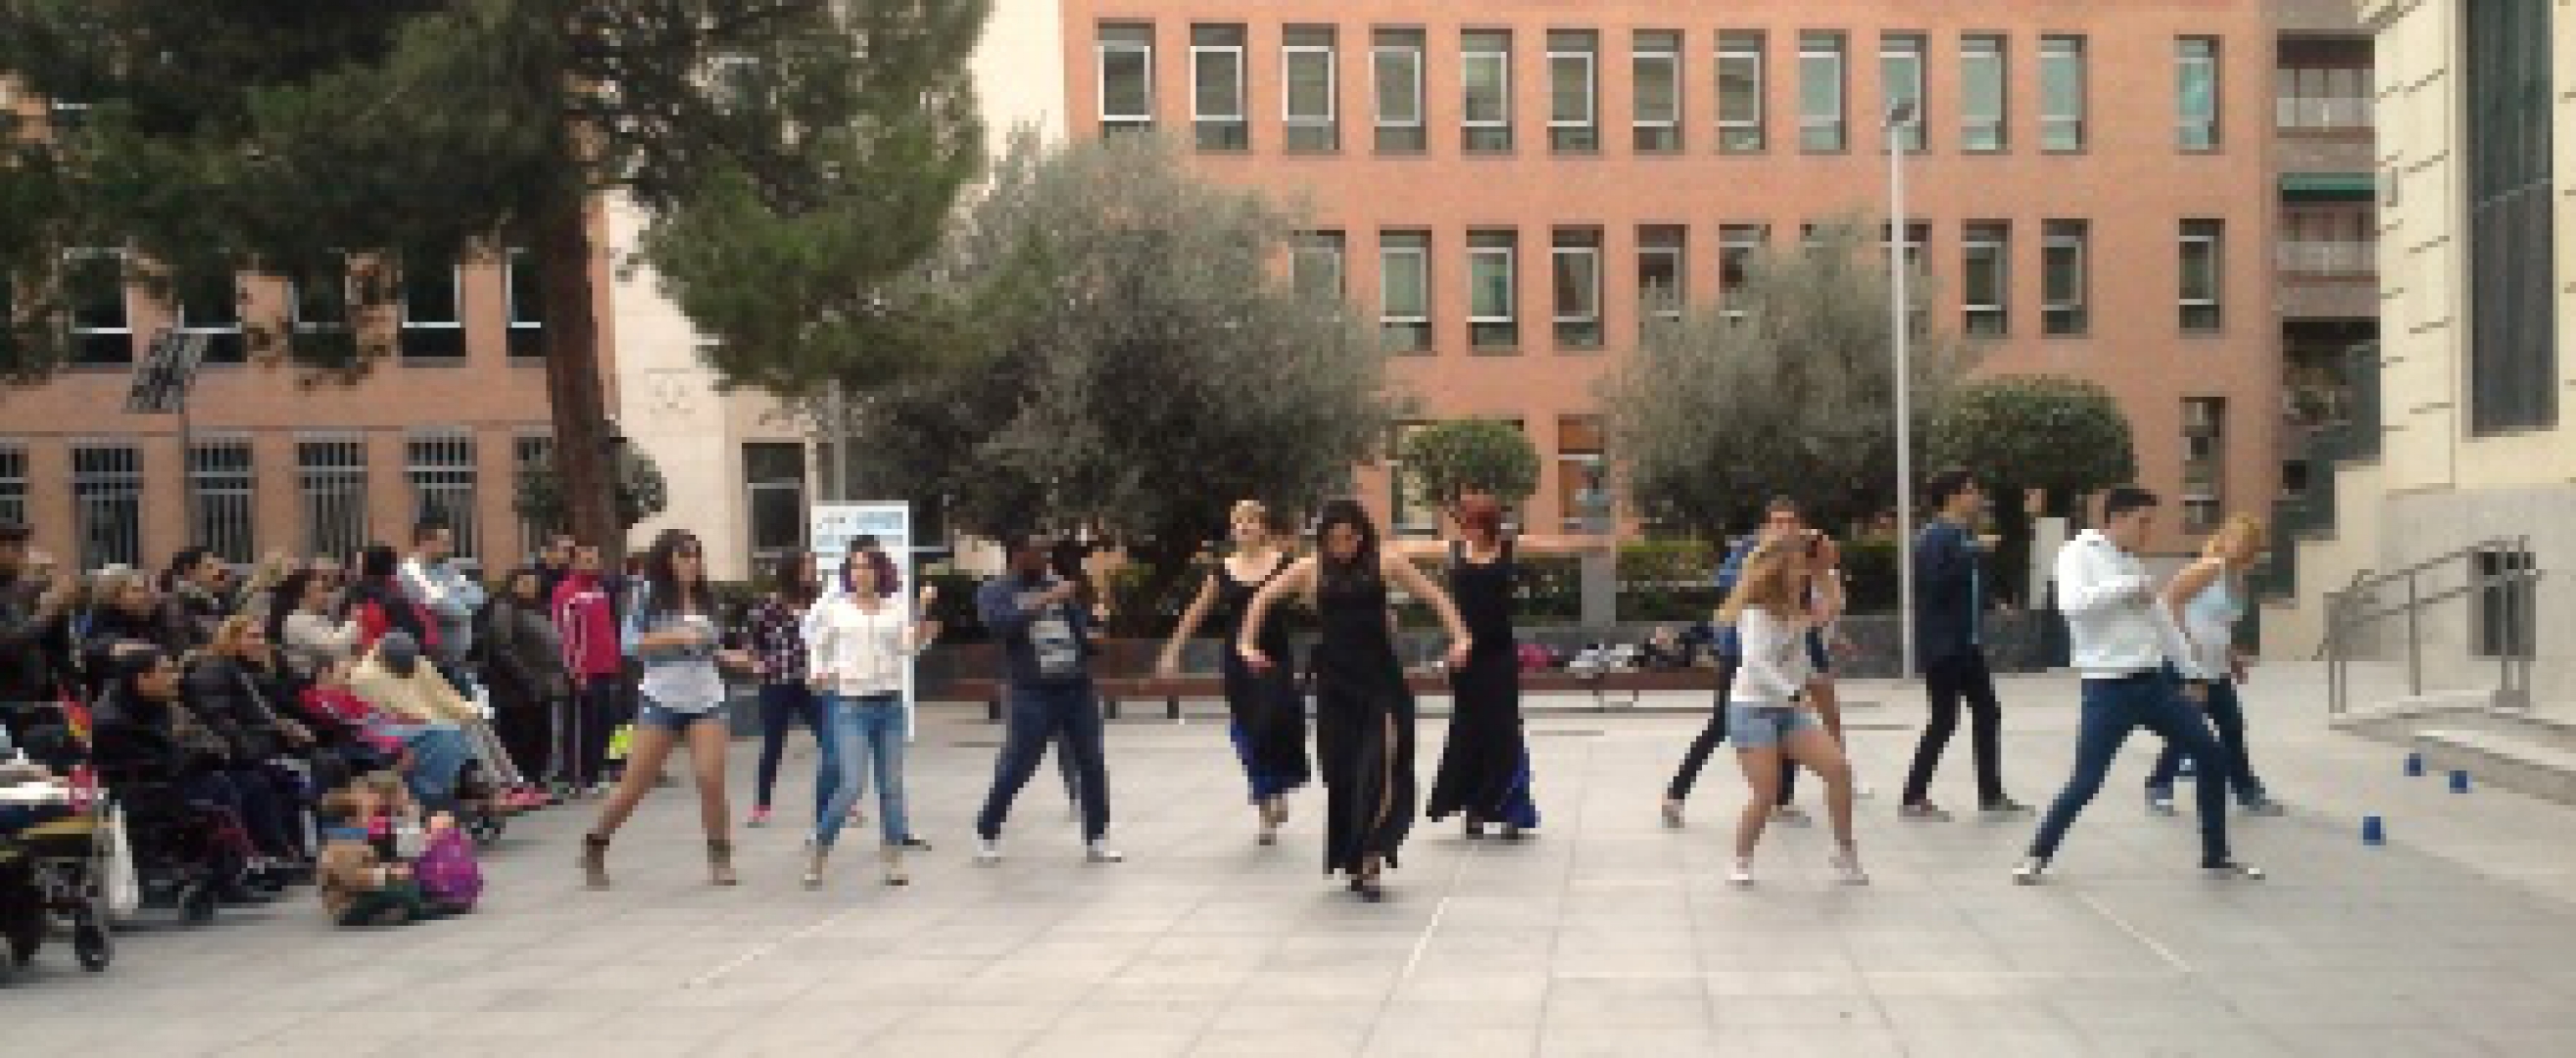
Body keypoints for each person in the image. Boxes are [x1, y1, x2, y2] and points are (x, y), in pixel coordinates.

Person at [2017, 487, 2264, 884]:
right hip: (2107, 689)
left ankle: (2216, 856)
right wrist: (2127, 587)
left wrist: (2193, 673)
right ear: (2117, 519)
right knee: (2087, 780)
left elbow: (2163, 625)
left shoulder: (2131, 562)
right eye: (2143, 522)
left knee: (2211, 753)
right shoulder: (2078, 553)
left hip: (2153, 686)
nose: (2149, 531)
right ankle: (2037, 855)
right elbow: (2072, 605)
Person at [1237, 500, 1473, 901]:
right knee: (1344, 774)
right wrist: (1246, 643)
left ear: (1362, 534)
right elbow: (1261, 599)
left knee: (1380, 767)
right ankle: (1354, 853)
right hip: (1335, 687)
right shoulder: (1310, 569)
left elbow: (1436, 597)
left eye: (1350, 538)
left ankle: (1372, 858)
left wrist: (1461, 638)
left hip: (1381, 682)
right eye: (1334, 539)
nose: (1343, 547)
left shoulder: (1385, 562)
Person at [578, 530, 754, 889]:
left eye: (696, 555)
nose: (692, 563)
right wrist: (674, 635)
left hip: (707, 699)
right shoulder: (648, 595)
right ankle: (595, 842)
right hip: (661, 698)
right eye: (684, 556)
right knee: (634, 785)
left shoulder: (706, 597)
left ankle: (720, 856)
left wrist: (728, 656)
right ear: (667, 560)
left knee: (711, 779)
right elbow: (629, 644)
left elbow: (708, 646)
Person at [1664, 499, 1842, 827]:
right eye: (1777, 521)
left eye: (1789, 521)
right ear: (1765, 525)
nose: (1783, 527)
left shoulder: (1805, 554)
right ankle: (1676, 794)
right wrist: (1764, 564)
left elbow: (1825, 598)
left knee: (1790, 720)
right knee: (1720, 725)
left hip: (1790, 654)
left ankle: (1783, 800)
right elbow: (1727, 582)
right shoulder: (1750, 550)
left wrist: (1820, 576)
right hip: (1743, 652)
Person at [1717, 537, 1869, 886]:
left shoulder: (1796, 607)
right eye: (1797, 567)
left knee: (1838, 770)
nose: (1803, 574)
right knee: (1767, 793)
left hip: (1788, 711)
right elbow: (1755, 663)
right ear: (1777, 571)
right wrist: (1793, 692)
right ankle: (1741, 859)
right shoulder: (1755, 613)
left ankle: (1844, 852)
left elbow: (1821, 623)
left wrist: (1809, 678)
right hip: (1753, 710)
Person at [1158, 501, 1311, 845]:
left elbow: (1316, 599)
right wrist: (1172, 650)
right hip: (1238, 661)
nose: (1244, 526)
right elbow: (1196, 612)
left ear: (1263, 527)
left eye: (1251, 520)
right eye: (1238, 521)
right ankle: (1264, 806)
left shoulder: (1285, 564)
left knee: (1278, 725)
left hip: (1274, 657)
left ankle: (1279, 786)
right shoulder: (1223, 570)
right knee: (1247, 731)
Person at [971, 530, 1121, 867]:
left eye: (1047, 553)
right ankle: (987, 830)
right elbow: (1000, 625)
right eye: (1039, 553)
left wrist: (1096, 630)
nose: (1046, 559)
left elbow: (1080, 632)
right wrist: (1047, 598)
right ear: (1018, 555)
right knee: (1019, 765)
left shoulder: (1058, 586)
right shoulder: (996, 591)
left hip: (1076, 688)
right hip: (1032, 692)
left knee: (1092, 763)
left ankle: (1097, 837)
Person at [1899, 468, 2029, 820]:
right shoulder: (1934, 537)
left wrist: (1994, 602)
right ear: (1952, 496)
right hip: (1943, 645)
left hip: (1967, 645)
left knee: (1987, 712)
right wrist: (1972, 552)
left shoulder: (1962, 536)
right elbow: (1935, 584)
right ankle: (1913, 796)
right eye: (1971, 491)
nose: (1977, 497)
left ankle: (1991, 795)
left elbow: (1968, 586)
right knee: (1944, 719)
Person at [805, 553, 942, 887]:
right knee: (851, 785)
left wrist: (924, 616)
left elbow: (909, 648)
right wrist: (820, 673)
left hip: (890, 705)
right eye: (855, 567)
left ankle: (893, 858)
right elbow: (818, 645)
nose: (861, 573)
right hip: (851, 706)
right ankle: (820, 849)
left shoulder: (894, 610)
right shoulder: (836, 609)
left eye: (867, 567)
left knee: (891, 786)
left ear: (880, 573)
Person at [2143, 514, 2283, 817]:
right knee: (2187, 729)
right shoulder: (2209, 567)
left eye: (2246, 542)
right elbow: (2168, 600)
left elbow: (2219, 625)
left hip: (2216, 668)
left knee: (2232, 728)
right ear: (2223, 539)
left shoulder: (2237, 579)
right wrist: (2185, 641)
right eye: (2234, 539)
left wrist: (2233, 658)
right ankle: (2159, 786)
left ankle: (2246, 791)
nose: (2239, 546)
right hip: (2189, 666)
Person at [1421, 493, 1542, 841]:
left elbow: (1558, 544)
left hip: (1500, 655)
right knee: (1469, 729)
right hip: (1466, 656)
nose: (1469, 531)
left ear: (1490, 525)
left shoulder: (1509, 548)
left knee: (1504, 729)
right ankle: (1474, 808)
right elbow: (1401, 553)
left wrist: (1600, 544)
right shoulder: (1453, 551)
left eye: (1475, 524)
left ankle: (1512, 810)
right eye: (1465, 524)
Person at [738, 551, 832, 829]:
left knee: (831, 740)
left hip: (809, 682)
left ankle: (840, 800)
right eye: (806, 565)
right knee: (773, 745)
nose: (811, 570)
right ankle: (761, 807)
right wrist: (756, 662)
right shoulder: (768, 606)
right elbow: (749, 639)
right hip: (776, 683)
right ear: (792, 569)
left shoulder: (819, 603)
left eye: (813, 565)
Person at [479, 567, 569, 806]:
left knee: (541, 736)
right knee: (520, 737)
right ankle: (520, 787)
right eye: (525, 582)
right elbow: (502, 647)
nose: (531, 587)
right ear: (513, 584)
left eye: (534, 583)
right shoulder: (505, 608)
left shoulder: (535, 607)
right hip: (515, 689)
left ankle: (536, 783)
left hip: (541, 684)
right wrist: (527, 678)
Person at [552, 544, 623, 796]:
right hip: (584, 670)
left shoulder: (600, 589)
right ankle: (581, 778)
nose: (593, 565)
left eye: (595, 559)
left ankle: (598, 771)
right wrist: (575, 669)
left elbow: (607, 627)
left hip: (606, 666)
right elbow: (566, 635)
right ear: (574, 563)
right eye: (586, 560)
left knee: (604, 722)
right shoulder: (566, 592)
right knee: (584, 725)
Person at [0, 523, 75, 740]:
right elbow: (7, 645)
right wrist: (48, 611)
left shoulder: (18, 590)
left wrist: (59, 612)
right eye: (15, 548)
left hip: (36, 701)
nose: (23, 555)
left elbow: (51, 646)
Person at [398, 520, 485, 692]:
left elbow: (479, 597)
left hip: (458, 663)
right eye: (445, 543)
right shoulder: (411, 573)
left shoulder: (447, 568)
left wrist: (451, 596)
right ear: (425, 542)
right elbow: (454, 611)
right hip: (435, 667)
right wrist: (458, 598)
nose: (450, 549)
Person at [271, 569, 363, 683]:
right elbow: (334, 646)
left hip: (325, 677)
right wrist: (353, 619)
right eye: (321, 591)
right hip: (307, 683)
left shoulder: (317, 617)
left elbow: (343, 647)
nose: (327, 596)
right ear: (304, 596)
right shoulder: (295, 620)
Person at [160, 546, 232, 650]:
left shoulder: (215, 601)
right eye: (210, 567)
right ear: (189, 573)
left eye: (222, 566)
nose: (222, 571)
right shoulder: (176, 605)